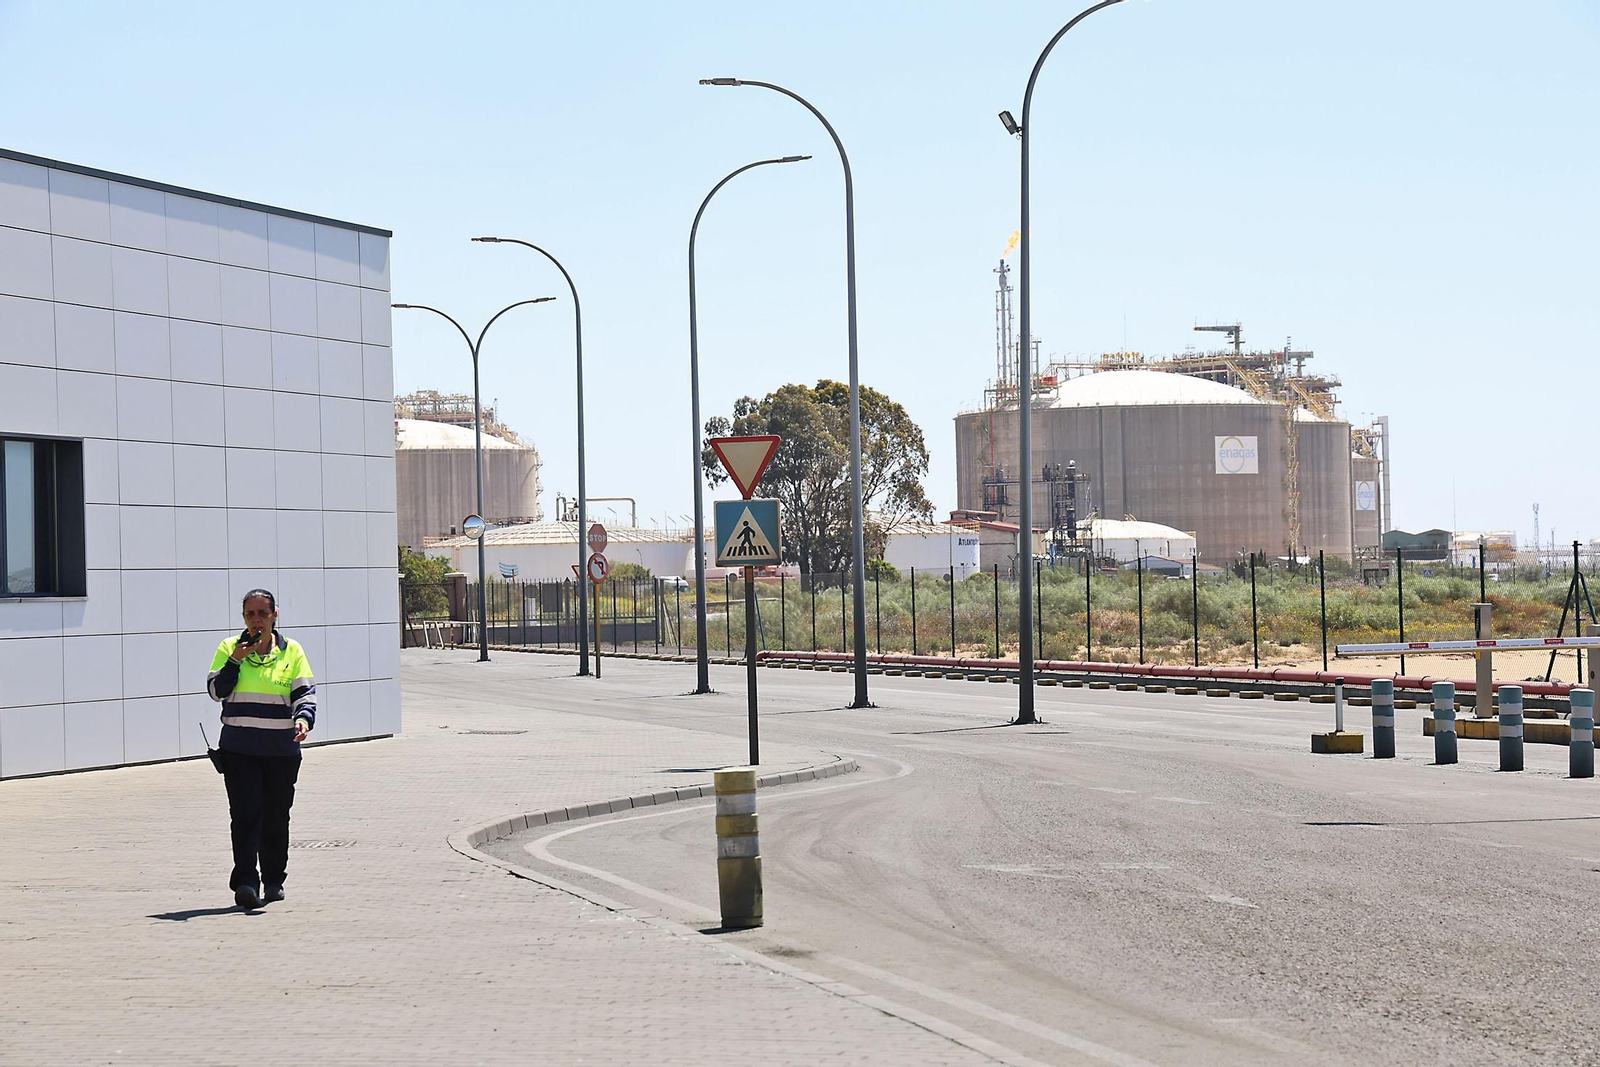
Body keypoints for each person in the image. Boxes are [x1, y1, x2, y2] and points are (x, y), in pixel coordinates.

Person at [205, 589, 316, 909]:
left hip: (281, 750)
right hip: (240, 749)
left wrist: (304, 720)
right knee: (245, 815)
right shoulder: (229, 648)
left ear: (274, 615)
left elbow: (305, 693)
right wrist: (236, 661)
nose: (256, 620)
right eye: (249, 614)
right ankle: (245, 882)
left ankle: (273, 879)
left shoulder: (291, 651)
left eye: (262, 614)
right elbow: (216, 691)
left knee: (276, 817)